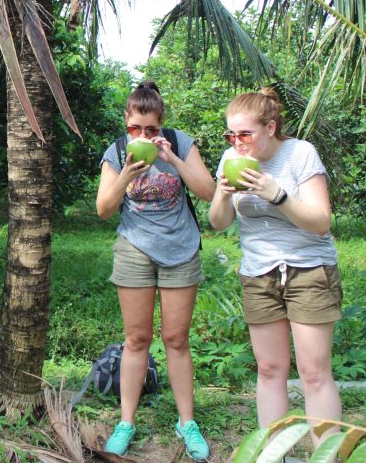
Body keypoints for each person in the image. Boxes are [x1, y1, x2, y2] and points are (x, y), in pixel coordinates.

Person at [208, 88, 341, 444]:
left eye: (244, 134)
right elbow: (219, 223)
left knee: (313, 373)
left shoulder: (300, 154)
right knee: (269, 370)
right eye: (230, 135)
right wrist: (222, 193)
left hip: (309, 269)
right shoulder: (229, 158)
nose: (237, 142)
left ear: (270, 127)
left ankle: (326, 455)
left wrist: (276, 194)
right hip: (259, 273)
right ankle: (273, 453)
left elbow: (320, 222)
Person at [95, 81, 215, 460]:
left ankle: (187, 423)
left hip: (180, 248)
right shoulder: (117, 152)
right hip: (134, 249)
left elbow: (209, 191)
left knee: (177, 339)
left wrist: (173, 159)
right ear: (127, 123)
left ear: (161, 125)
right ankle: (126, 422)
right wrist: (127, 173)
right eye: (136, 129)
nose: (143, 135)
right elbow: (103, 209)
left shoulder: (180, 143)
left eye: (151, 129)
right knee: (136, 339)